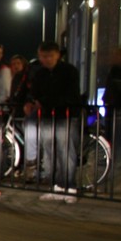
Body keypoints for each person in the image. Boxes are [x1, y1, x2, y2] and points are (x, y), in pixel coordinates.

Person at [23, 42, 81, 202]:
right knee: (49, 152)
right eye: (44, 56)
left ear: (57, 55)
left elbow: (70, 95)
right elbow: (34, 92)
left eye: (50, 56)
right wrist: (31, 101)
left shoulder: (68, 71)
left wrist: (43, 101)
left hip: (65, 115)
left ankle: (70, 187)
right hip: (48, 116)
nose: (47, 59)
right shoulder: (40, 73)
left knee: (65, 152)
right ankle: (56, 186)